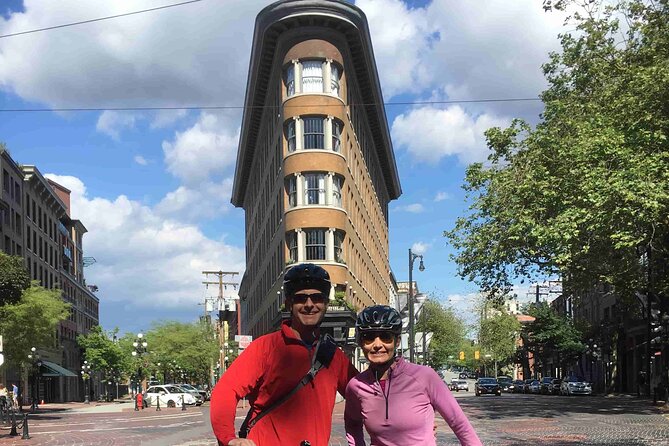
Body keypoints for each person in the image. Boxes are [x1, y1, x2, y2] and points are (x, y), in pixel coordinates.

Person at [210, 263, 358, 446]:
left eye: (317, 297)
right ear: (289, 303)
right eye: (301, 298)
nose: (309, 304)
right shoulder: (265, 347)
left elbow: (363, 395)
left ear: (326, 303)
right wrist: (229, 438)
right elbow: (225, 391)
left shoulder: (333, 355)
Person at [345, 305, 482, 446]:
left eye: (386, 337)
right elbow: (352, 424)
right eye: (369, 338)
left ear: (397, 341)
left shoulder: (424, 376)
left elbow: (459, 423)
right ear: (361, 342)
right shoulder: (356, 386)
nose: (377, 345)